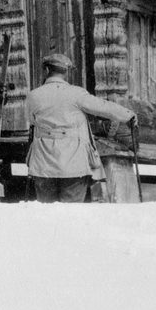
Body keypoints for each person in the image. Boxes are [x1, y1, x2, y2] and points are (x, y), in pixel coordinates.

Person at [25, 52, 137, 204]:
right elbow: (103, 107)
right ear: (66, 72)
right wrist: (128, 115)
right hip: (73, 162)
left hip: (43, 164)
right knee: (72, 212)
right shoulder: (76, 94)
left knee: (47, 213)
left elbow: (31, 120)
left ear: (46, 71)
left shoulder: (33, 96)